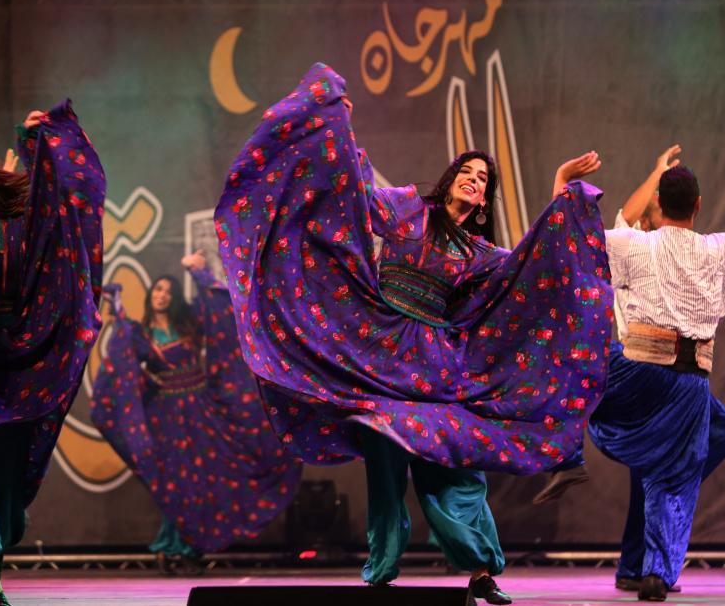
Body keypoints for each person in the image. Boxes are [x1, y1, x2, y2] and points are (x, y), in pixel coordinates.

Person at [214, 63, 614, 603]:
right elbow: (356, 188)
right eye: (467, 171)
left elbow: (531, 264)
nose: (475, 179)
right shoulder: (407, 209)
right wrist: (339, 126)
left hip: (434, 363)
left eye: (483, 179)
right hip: (377, 350)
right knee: (384, 464)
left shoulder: (479, 254)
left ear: (484, 199)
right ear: (449, 180)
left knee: (450, 464)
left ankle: (480, 569)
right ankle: (381, 569)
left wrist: (561, 190)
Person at [586, 142, 725, 601]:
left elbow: (574, 240)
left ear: (659, 203)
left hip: (635, 374)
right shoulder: (715, 249)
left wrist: (564, 184)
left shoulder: (633, 244)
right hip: (686, 383)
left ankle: (563, 446)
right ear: (698, 205)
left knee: (587, 394)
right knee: (674, 478)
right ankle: (657, 571)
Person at [534, 147, 725, 506]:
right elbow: (608, 225)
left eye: (657, 198)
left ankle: (667, 484)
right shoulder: (633, 245)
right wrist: (657, 174)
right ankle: (572, 457)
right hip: (637, 366)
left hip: (673, 377)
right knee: (577, 367)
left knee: (718, 434)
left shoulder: (694, 251)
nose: (653, 202)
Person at [0, 89, 105, 606]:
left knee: (6, 475)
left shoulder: (19, 226)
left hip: (17, 363)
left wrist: (34, 141)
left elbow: (60, 202)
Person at [91, 252, 302, 575]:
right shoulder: (141, 334)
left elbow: (218, 312)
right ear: (150, 296)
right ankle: (172, 546)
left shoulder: (188, 324)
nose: (161, 295)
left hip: (201, 410)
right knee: (176, 482)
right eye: (157, 290)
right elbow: (124, 358)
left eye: (167, 291)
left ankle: (192, 547)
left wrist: (198, 273)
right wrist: (117, 309)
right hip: (167, 417)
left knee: (207, 479)